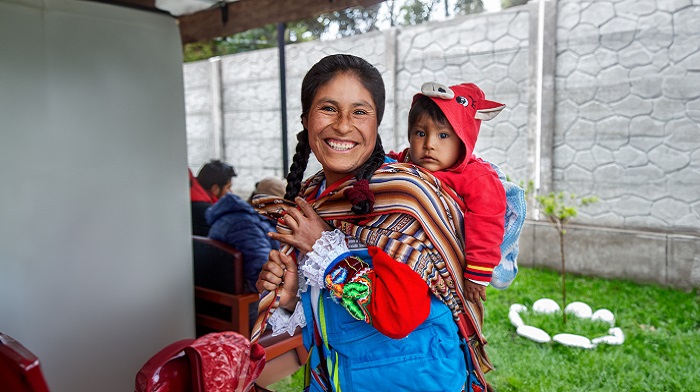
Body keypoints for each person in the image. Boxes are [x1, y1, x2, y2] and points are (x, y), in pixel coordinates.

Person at [254, 54, 492, 391]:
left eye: (360, 111)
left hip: (415, 381)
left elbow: (398, 317)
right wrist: (292, 297)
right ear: (306, 120)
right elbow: (325, 320)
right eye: (328, 108)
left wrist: (325, 250)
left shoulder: (399, 196)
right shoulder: (313, 196)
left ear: (376, 122)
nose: (343, 125)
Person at [388, 82, 507, 305]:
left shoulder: (476, 177)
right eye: (420, 133)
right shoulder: (406, 161)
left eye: (443, 135)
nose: (429, 144)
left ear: (464, 139)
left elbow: (487, 221)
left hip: (451, 263)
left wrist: (477, 272)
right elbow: (390, 162)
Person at [206, 177, 286, 293]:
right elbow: (262, 278)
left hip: (224, 297)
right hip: (248, 302)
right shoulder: (246, 226)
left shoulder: (235, 217)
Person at [190, 160, 236, 236]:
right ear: (215, 189)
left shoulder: (191, 198)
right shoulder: (207, 212)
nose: (231, 192)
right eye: (228, 187)